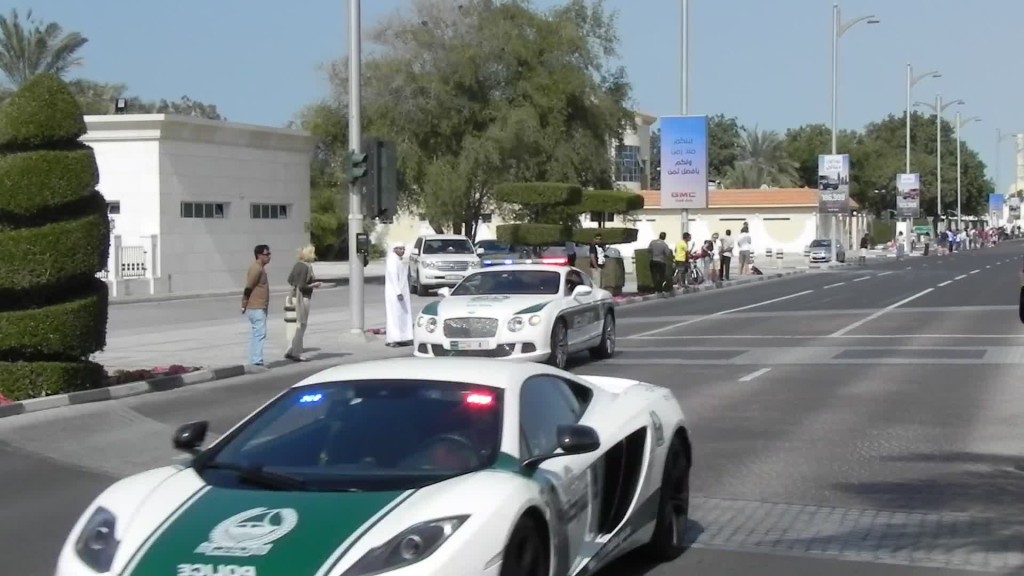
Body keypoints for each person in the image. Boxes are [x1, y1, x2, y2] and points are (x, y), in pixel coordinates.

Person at [284, 244, 322, 362]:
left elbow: (290, 280)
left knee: (295, 325)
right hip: (303, 298)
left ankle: (290, 349)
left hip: (294, 297)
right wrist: (314, 285)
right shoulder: (306, 267)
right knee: (302, 325)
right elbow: (302, 285)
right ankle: (297, 352)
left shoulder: (297, 265)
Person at [241, 244, 271, 368]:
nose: (269, 257)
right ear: (259, 255)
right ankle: (256, 361)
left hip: (259, 306)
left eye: (269, 254)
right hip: (256, 307)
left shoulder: (260, 268)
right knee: (260, 333)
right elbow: (248, 287)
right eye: (266, 254)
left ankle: (255, 359)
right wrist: (244, 303)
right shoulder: (256, 268)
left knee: (257, 333)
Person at [385, 242, 413, 347]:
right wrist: (398, 292)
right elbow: (393, 277)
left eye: (403, 249)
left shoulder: (399, 260)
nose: (402, 251)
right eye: (400, 249)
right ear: (395, 249)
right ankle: (393, 339)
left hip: (402, 293)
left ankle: (403, 337)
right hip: (395, 293)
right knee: (394, 316)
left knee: (403, 315)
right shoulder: (392, 260)